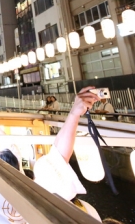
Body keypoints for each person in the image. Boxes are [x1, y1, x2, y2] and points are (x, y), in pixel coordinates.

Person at [33, 87, 103, 221]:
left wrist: (74, 114)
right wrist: (73, 114)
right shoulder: (88, 211)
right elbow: (58, 155)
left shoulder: (43, 212)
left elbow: (58, 156)